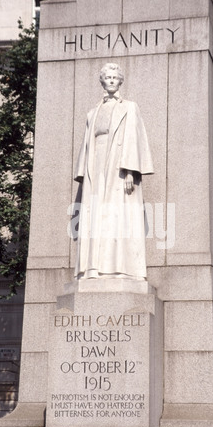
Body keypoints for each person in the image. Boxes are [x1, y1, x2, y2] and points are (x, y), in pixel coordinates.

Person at [74, 63, 154, 280]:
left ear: (120, 81)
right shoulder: (93, 112)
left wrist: (129, 171)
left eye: (114, 77)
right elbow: (87, 144)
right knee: (96, 215)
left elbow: (133, 139)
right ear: (102, 81)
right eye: (107, 77)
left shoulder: (129, 107)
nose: (110, 80)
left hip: (118, 164)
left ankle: (121, 268)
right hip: (96, 163)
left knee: (117, 215)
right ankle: (93, 268)